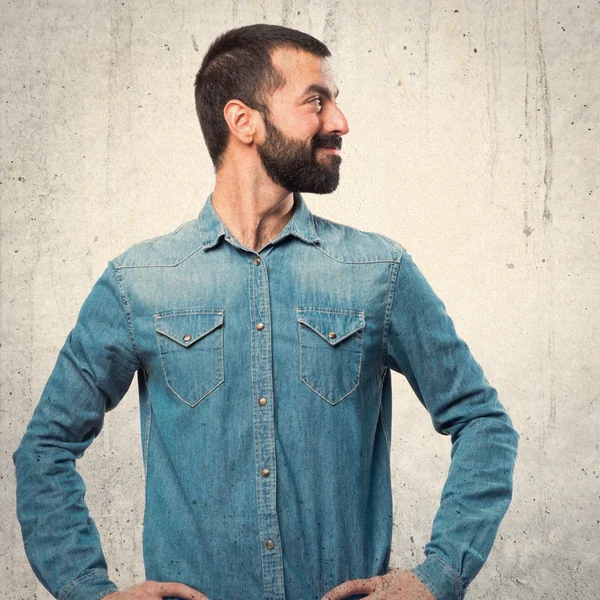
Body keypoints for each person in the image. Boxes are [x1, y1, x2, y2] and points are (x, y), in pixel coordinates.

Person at [13, 23, 519, 600]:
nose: (339, 121)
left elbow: (482, 421)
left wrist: (437, 579)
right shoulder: (139, 283)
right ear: (243, 120)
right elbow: (46, 450)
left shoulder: (378, 272)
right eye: (316, 100)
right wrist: (90, 592)